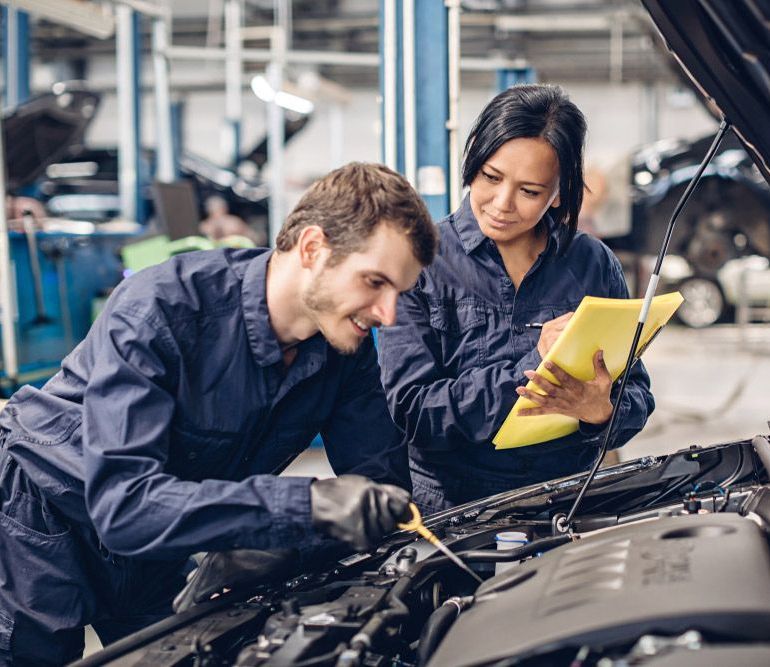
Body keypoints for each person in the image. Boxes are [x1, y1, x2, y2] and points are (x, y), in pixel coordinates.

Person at [0, 162, 437, 666]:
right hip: (48, 515)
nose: (387, 314)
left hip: (160, 540)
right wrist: (301, 508)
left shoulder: (344, 350)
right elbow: (124, 505)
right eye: (374, 282)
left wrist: (283, 546)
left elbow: (377, 483)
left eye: (398, 293)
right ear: (314, 248)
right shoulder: (162, 309)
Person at [378, 84, 654, 515]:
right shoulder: (423, 260)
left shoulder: (591, 264)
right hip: (454, 512)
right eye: (491, 177)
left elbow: (637, 393)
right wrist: (535, 368)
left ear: (558, 193)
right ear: (472, 162)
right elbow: (412, 413)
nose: (502, 204)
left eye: (529, 191)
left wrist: (600, 412)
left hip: (566, 503)